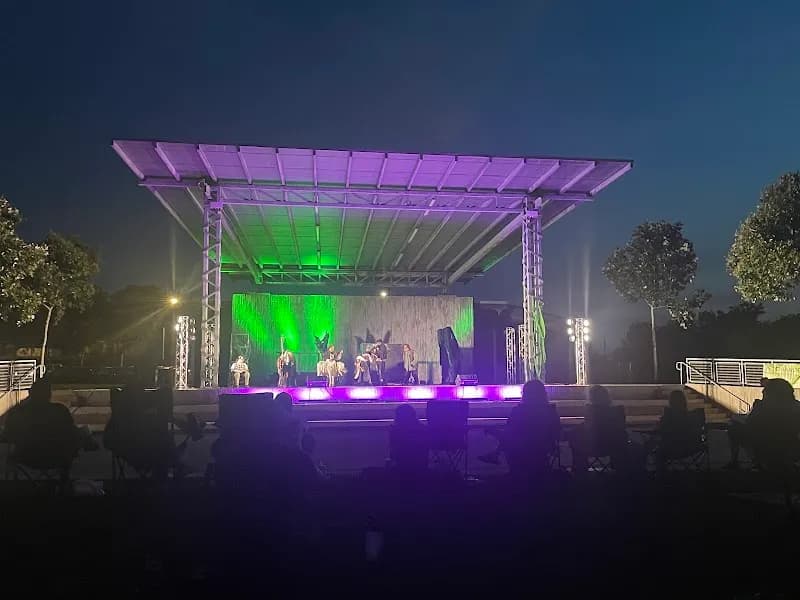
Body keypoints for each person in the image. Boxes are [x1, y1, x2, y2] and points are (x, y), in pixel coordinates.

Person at [5, 377, 93, 476]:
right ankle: (62, 485)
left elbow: (8, 435)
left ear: (30, 393)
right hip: (58, 457)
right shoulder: (60, 411)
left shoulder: (18, 413)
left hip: (26, 457)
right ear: (49, 395)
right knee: (83, 433)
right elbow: (71, 431)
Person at [479, 380, 560, 475]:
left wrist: (494, 431)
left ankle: (496, 453)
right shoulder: (550, 412)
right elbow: (557, 431)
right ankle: (496, 453)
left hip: (519, 453)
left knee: (510, 438)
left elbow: (509, 434)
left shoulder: (518, 412)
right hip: (543, 451)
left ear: (525, 394)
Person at [726, 378, 800, 470]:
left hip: (765, 447)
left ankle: (743, 461)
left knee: (734, 427)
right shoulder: (796, 406)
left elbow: (750, 423)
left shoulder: (762, 407)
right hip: (792, 448)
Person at [569, 385, 632, 473]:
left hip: (592, 447)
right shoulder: (617, 411)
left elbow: (586, 427)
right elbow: (622, 430)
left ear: (591, 397)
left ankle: (579, 470)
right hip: (614, 447)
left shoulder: (590, 411)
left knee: (574, 436)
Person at [388, 404, 428, 474]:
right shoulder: (422, 429)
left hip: (401, 466)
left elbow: (393, 452)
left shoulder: (396, 431)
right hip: (420, 466)